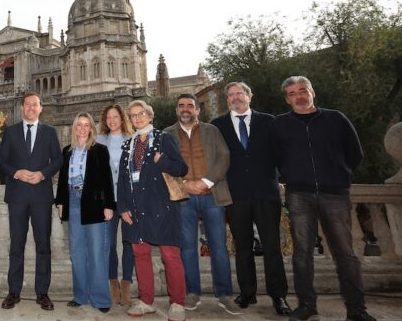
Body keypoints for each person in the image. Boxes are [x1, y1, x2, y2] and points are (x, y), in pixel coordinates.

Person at [272, 76, 375, 321]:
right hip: (299, 194)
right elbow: (274, 157)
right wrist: (289, 176)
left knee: (345, 253)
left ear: (312, 92)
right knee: (302, 253)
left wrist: (341, 176)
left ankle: (356, 310)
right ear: (288, 99)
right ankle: (306, 306)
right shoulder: (280, 124)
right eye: (293, 93)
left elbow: (355, 153)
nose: (299, 95)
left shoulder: (336, 118)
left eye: (302, 90)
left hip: (335, 194)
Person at [210, 82, 291, 316]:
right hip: (235, 196)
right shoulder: (218, 125)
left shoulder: (268, 121)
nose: (236, 97)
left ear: (249, 96)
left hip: (266, 193)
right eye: (231, 95)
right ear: (227, 100)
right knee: (242, 247)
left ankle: (279, 296)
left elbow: (281, 153)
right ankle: (247, 292)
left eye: (240, 93)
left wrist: (281, 178)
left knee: (272, 246)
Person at [164, 93, 238, 315]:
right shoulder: (167, 134)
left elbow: (223, 158)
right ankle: (192, 292)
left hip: (212, 195)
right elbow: (165, 164)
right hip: (184, 198)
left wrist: (205, 181)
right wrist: (186, 184)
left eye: (190, 105)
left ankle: (224, 294)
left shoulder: (212, 130)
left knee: (219, 247)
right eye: (181, 105)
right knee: (187, 247)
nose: (185, 109)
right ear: (176, 110)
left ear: (198, 110)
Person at [117, 100, 188, 321]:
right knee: (140, 254)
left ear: (150, 115)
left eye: (141, 114)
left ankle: (177, 302)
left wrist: (163, 160)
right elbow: (122, 179)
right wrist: (123, 207)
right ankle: (146, 301)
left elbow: (181, 168)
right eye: (133, 116)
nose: (137, 118)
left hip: (161, 205)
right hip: (136, 207)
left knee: (170, 255)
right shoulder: (128, 145)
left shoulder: (163, 139)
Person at [0, 91, 62, 311]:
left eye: (34, 105)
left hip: (41, 196)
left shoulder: (50, 132)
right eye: (27, 105)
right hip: (16, 196)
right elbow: (2, 162)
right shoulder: (11, 132)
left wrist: (43, 174)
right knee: (16, 244)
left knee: (43, 245)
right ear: (22, 107)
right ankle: (13, 291)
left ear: (40, 108)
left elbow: (58, 160)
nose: (31, 108)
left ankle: (42, 292)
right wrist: (16, 172)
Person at [54, 112, 115, 313]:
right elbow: (63, 180)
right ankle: (80, 295)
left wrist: (109, 205)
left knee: (97, 252)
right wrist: (61, 202)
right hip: (72, 201)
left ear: (91, 128)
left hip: (94, 204)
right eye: (78, 124)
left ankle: (100, 298)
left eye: (86, 125)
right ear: (74, 128)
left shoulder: (99, 150)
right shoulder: (67, 151)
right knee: (77, 253)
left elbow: (107, 179)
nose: (82, 128)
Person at [96, 104, 135, 306]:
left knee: (129, 242)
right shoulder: (99, 140)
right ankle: (113, 284)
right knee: (109, 243)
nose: (112, 120)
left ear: (122, 119)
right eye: (108, 117)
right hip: (108, 200)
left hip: (128, 199)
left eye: (115, 117)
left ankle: (127, 284)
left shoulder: (132, 139)